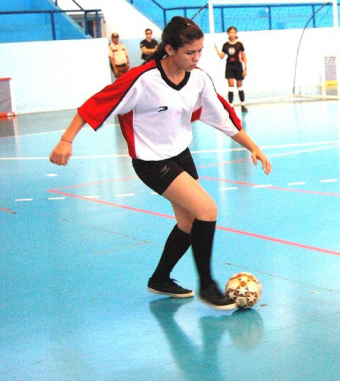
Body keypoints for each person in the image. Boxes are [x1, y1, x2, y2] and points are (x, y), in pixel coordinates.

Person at [49, 16, 272, 310]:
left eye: (200, 52)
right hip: (151, 161)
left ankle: (160, 278)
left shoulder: (199, 79)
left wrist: (252, 146)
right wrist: (66, 139)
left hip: (180, 154)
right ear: (169, 49)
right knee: (206, 210)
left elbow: (223, 115)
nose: (196, 58)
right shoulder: (142, 80)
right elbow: (97, 104)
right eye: (190, 53)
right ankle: (208, 286)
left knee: (188, 222)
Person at [214, 26, 248, 112]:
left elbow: (244, 56)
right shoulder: (226, 45)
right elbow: (222, 56)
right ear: (228, 33)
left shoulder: (239, 44)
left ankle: (243, 105)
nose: (232, 34)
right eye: (230, 32)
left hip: (238, 66)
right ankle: (231, 106)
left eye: (234, 32)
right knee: (231, 86)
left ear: (236, 33)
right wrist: (216, 49)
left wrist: (245, 69)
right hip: (229, 66)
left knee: (240, 86)